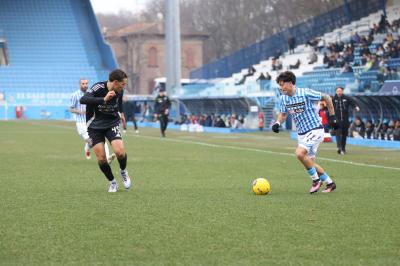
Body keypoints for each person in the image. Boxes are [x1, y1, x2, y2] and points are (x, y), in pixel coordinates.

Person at [271, 71, 337, 194]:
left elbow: (327, 97)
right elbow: (283, 114)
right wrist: (277, 123)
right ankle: (330, 183)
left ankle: (316, 181)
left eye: (282, 84)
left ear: (290, 83)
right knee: (310, 163)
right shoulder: (283, 98)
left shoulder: (305, 92)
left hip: (315, 129)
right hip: (301, 134)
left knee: (299, 153)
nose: (281, 87)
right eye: (279, 85)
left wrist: (332, 117)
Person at [80, 69, 132, 193]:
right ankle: (112, 182)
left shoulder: (120, 90)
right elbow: (83, 100)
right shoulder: (98, 88)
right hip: (94, 126)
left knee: (119, 152)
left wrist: (122, 113)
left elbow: (119, 102)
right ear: (115, 82)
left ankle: (123, 171)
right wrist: (103, 99)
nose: (124, 86)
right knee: (102, 159)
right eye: (123, 84)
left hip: (112, 123)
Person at [70, 78, 115, 162]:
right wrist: (79, 112)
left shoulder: (92, 93)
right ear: (79, 84)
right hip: (81, 122)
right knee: (91, 141)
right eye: (83, 83)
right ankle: (87, 148)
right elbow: (71, 108)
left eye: (86, 83)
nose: (85, 85)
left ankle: (108, 158)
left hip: (91, 121)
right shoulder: (75, 95)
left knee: (101, 139)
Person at [333, 87, 360, 155]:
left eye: (340, 91)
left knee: (344, 135)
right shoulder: (333, 99)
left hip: (345, 120)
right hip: (336, 120)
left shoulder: (346, 98)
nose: (339, 92)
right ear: (336, 92)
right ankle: (339, 147)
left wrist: (356, 107)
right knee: (338, 133)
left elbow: (352, 102)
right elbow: (329, 107)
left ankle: (343, 148)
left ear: (342, 91)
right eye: (338, 91)